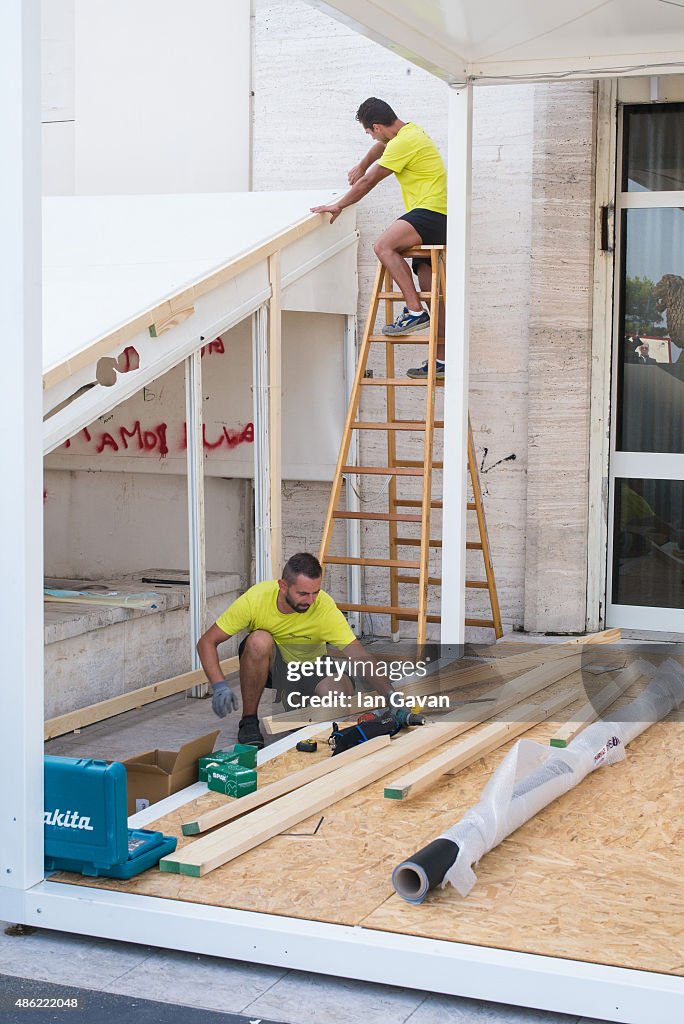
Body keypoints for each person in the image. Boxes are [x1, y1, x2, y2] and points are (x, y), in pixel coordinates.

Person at [196, 551, 394, 748]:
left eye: (315, 592)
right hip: (276, 667)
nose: (310, 600)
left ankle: (297, 708)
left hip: (311, 665)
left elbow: (360, 656)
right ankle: (249, 721)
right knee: (258, 640)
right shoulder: (257, 599)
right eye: (302, 593)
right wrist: (219, 685)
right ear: (283, 586)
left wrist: (391, 696)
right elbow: (207, 642)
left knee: (339, 695)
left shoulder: (323, 607)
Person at [311, 97, 447, 379]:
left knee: (383, 246)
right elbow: (380, 147)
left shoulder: (402, 143)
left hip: (432, 211)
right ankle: (443, 360)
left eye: (369, 132)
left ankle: (413, 310)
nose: (372, 138)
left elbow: (369, 181)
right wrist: (361, 163)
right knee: (431, 289)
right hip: (440, 213)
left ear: (376, 126)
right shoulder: (409, 131)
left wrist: (339, 204)